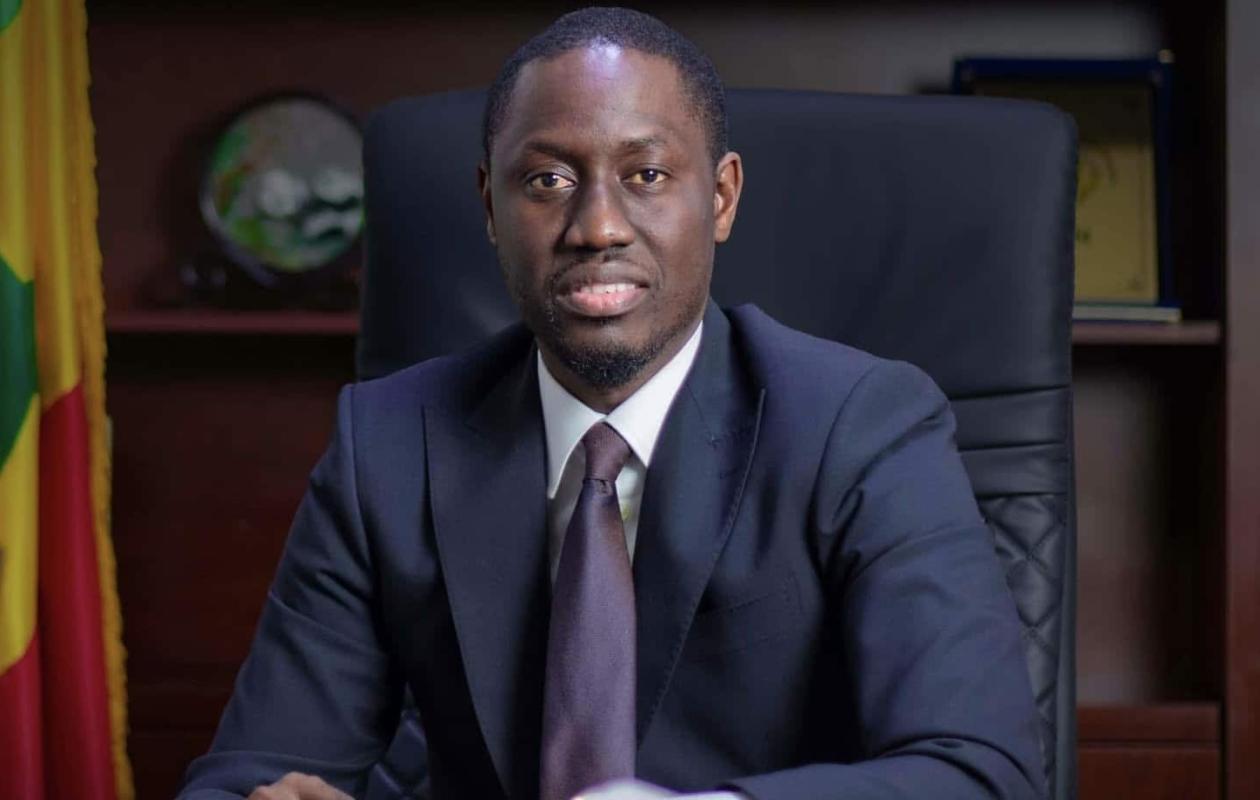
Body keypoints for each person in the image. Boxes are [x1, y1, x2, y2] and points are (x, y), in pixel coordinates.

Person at [179, 7, 1045, 800]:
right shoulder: (388, 446)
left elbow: (980, 773)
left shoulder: (864, 427)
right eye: (548, 180)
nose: (597, 226)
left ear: (720, 197)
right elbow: (246, 775)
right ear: (490, 206)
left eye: (647, 174)